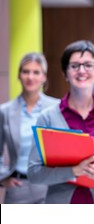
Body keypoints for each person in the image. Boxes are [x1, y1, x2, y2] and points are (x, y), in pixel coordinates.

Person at [28, 40, 94, 204]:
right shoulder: (47, 117)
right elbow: (34, 173)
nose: (82, 71)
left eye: (88, 65)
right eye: (74, 66)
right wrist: (73, 171)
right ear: (65, 73)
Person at [0, 53, 58, 203]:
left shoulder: (56, 108)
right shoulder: (5, 111)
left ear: (44, 77)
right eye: (25, 71)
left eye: (36, 72)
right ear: (19, 75)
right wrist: (2, 177)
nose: (30, 77)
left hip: (50, 188)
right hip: (18, 188)